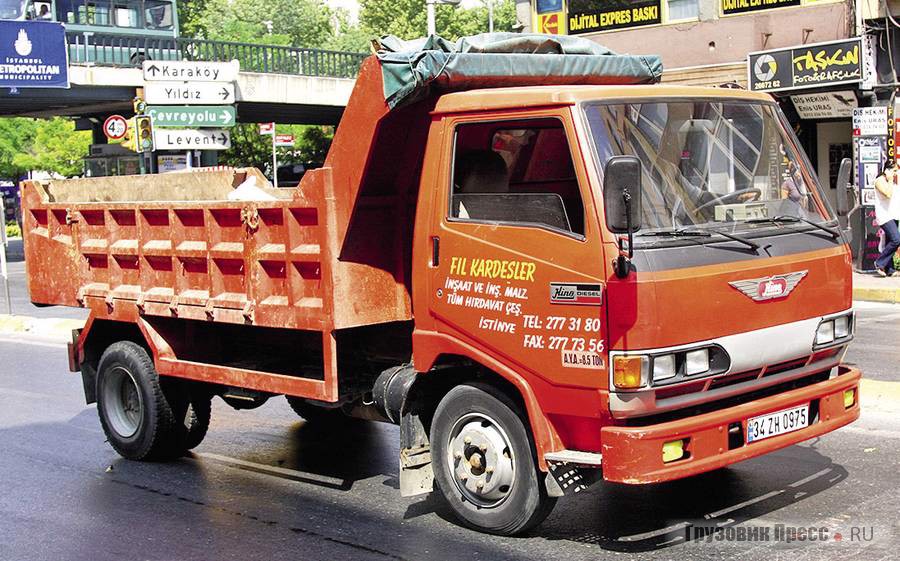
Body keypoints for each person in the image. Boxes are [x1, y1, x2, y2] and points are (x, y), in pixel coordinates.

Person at [873, 161, 900, 277]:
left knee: (890, 240)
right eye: (894, 171)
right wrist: (889, 179)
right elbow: (887, 194)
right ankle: (879, 263)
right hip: (885, 216)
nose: (895, 173)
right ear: (887, 170)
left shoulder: (893, 182)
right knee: (896, 240)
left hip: (893, 214)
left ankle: (890, 269)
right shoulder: (880, 181)